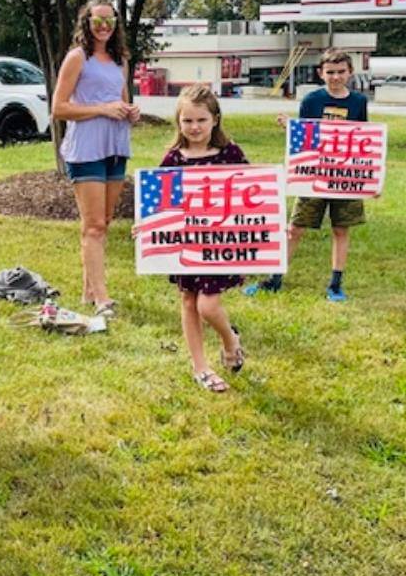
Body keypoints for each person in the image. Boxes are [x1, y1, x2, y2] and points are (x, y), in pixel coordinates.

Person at [245, 48, 369, 302]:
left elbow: (364, 140)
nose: (335, 77)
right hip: (314, 176)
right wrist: (291, 127)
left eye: (341, 72)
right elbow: (305, 138)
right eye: (330, 72)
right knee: (295, 228)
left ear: (350, 73)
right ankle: (275, 278)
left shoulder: (359, 102)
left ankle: (335, 283)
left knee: (341, 229)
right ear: (320, 73)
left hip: (345, 177)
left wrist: (368, 180)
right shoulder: (312, 101)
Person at [51, 0, 140, 318]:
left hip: (116, 147)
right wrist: (102, 109)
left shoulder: (120, 60)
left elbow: (121, 100)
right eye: (97, 20)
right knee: (93, 226)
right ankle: (102, 298)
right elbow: (59, 108)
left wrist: (130, 112)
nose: (103, 26)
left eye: (109, 21)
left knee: (103, 222)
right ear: (87, 23)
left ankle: (89, 291)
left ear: (116, 24)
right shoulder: (77, 58)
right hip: (87, 148)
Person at [157, 86, 247, 393]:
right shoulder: (172, 159)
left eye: (201, 120)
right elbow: (159, 204)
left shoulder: (230, 154)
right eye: (187, 121)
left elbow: (253, 194)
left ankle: (229, 340)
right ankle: (200, 367)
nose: (194, 127)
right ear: (178, 122)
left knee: (208, 306)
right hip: (186, 244)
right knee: (188, 300)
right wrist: (148, 229)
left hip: (220, 244)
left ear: (215, 120)